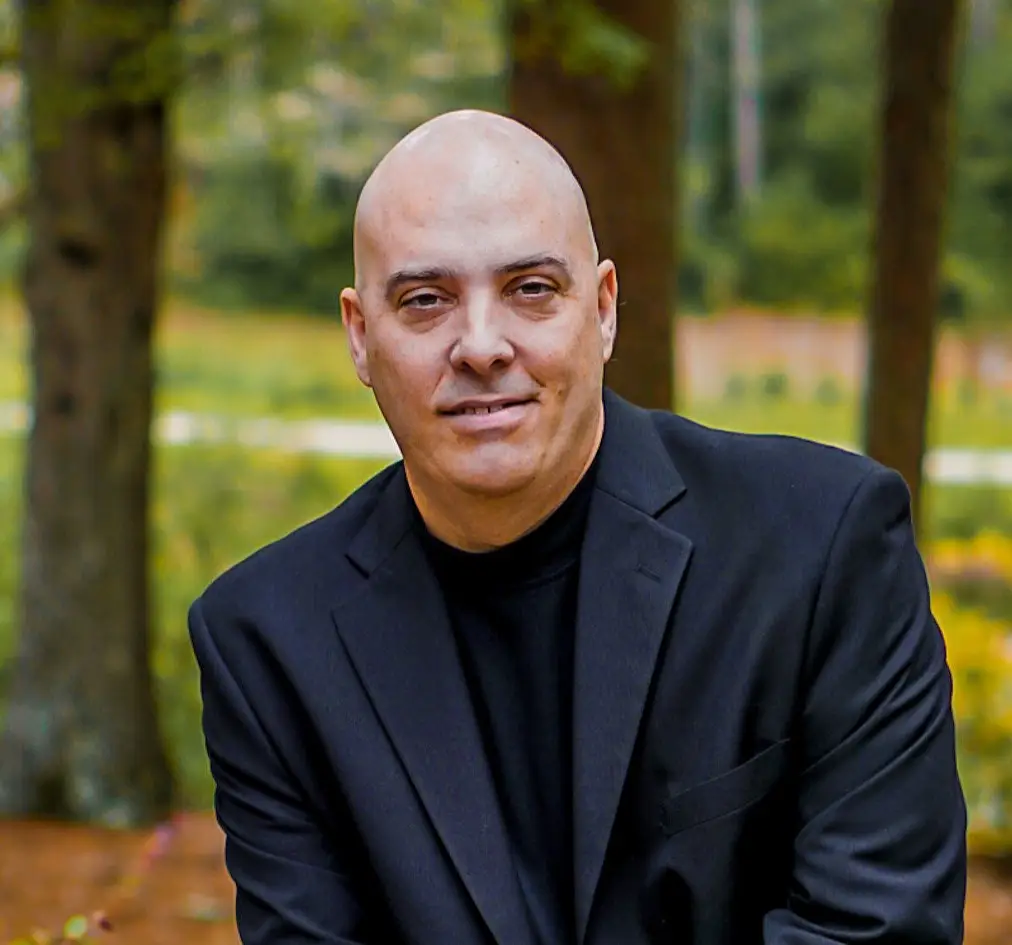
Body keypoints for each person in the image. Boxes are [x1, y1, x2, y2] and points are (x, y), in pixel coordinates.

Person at [189, 109, 967, 945]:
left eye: (530, 289)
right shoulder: (267, 641)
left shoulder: (821, 545)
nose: (481, 345)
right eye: (426, 299)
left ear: (601, 309)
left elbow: (877, 931)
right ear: (359, 335)